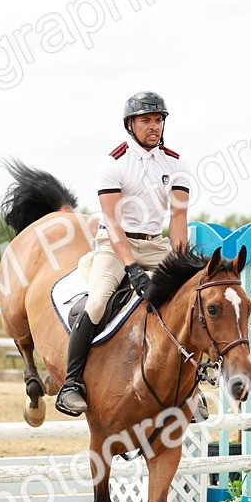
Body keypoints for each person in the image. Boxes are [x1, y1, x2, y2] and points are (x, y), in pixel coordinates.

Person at [55, 91, 192, 416]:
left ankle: (191, 387)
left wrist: (181, 264)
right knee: (99, 300)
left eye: (158, 120)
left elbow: (178, 218)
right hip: (115, 244)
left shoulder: (176, 162)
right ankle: (72, 383)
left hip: (156, 244)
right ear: (131, 125)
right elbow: (113, 223)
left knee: (188, 300)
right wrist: (131, 268)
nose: (154, 126)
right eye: (146, 120)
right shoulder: (113, 163)